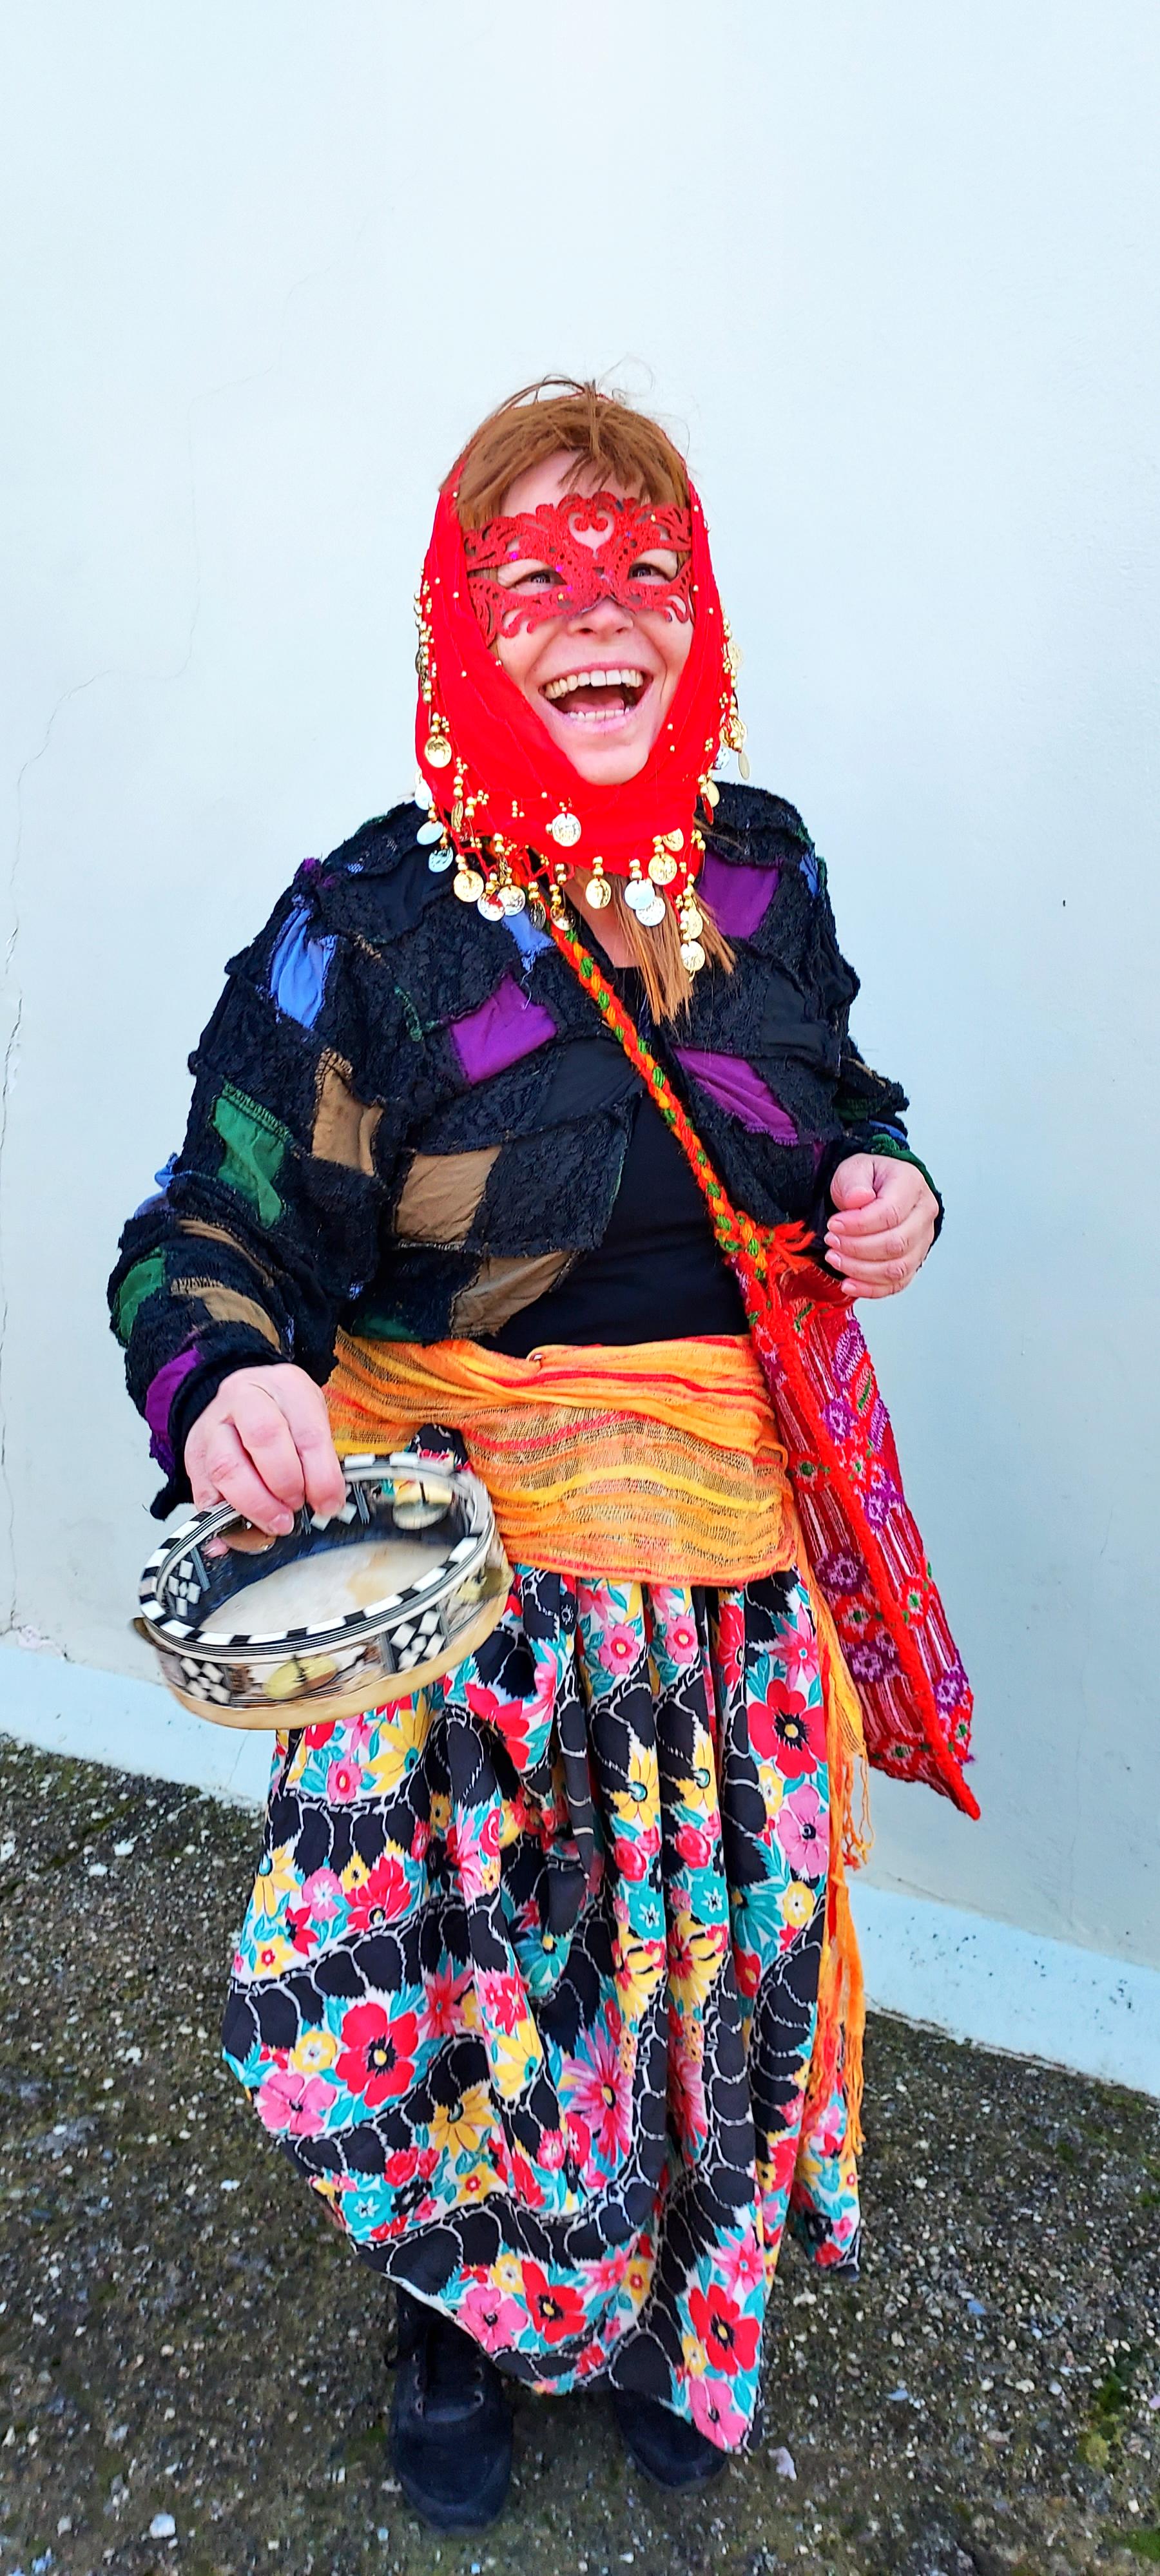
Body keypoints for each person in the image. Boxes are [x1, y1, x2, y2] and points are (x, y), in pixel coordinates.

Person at [110, 379, 970, 2533]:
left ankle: (684, 2313)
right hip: (471, 1594)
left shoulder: (763, 873)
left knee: (709, 1988)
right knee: (488, 1986)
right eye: (538, 576)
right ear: (458, 626)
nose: (604, 610)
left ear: (701, 617)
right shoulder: (367, 927)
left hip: (733, 1578)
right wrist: (224, 1378)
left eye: (646, 570)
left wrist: (888, 1187)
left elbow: (838, 1104)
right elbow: (203, 1230)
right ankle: (463, 2320)